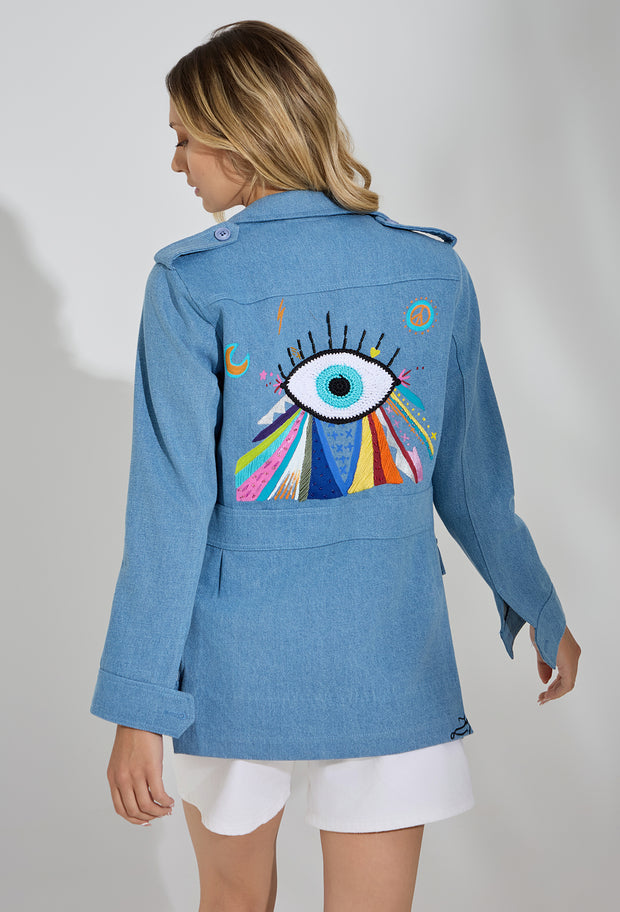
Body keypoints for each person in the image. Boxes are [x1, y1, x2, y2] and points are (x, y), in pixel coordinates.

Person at [90, 19, 581, 912]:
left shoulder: (192, 282)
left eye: (185, 138)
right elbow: (473, 478)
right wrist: (538, 606)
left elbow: (168, 513)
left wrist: (138, 705)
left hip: (232, 664)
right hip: (391, 651)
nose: (177, 163)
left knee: (232, 903)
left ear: (239, 137)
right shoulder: (429, 269)